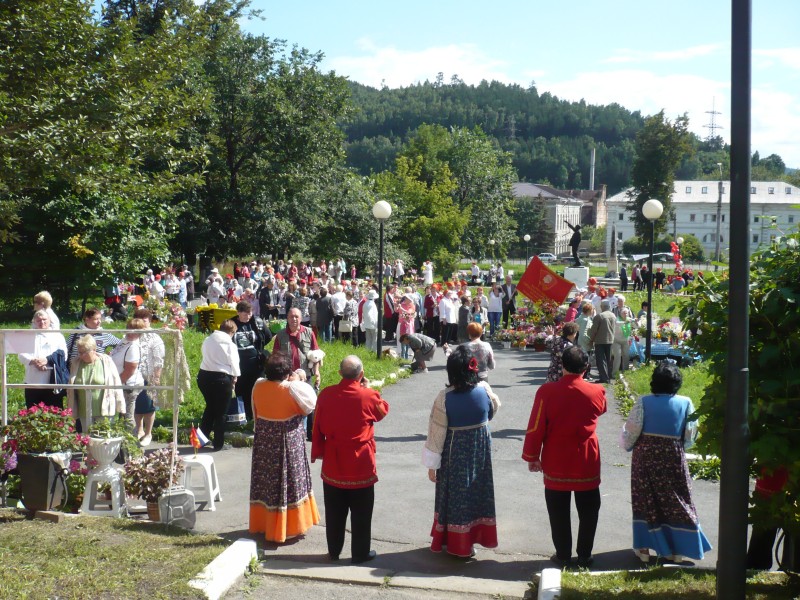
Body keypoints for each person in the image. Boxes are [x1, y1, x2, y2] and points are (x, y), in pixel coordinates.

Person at [523, 346, 607, 568]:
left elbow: (536, 427)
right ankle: (584, 555)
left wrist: (532, 455)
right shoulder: (597, 391)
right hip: (586, 458)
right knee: (589, 508)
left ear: (562, 366)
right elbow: (601, 409)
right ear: (586, 367)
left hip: (556, 457)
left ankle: (562, 554)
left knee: (558, 509)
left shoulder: (546, 391)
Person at [621, 361, 712, 563]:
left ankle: (643, 549)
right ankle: (676, 550)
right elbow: (689, 435)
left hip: (645, 457)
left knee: (644, 499)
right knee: (677, 499)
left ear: (654, 382)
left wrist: (627, 443)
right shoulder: (686, 402)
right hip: (672, 456)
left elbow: (632, 431)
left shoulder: (643, 401)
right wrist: (679, 445)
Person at [423, 345, 500, 558]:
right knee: (477, 493)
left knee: (457, 495)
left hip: (455, 452)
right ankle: (473, 539)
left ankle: (458, 543)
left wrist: (432, 464)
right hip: (480, 451)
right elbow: (493, 410)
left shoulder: (445, 397)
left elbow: (436, 432)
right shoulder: (484, 389)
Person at [311, 356, 389, 564]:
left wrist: (318, 450)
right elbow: (382, 412)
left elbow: (316, 425)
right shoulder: (369, 395)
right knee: (362, 512)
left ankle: (334, 551)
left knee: (334, 511)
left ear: (339, 373)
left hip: (334, 460)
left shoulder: (326, 395)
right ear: (361, 374)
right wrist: (369, 388)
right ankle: (360, 553)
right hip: (360, 462)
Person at [249, 352, 320, 543]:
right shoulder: (292, 389)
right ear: (287, 373)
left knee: (266, 483)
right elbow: (310, 405)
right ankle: (290, 526)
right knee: (290, 480)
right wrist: (297, 380)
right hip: (287, 441)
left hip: (264, 440)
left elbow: (255, 409)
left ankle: (265, 523)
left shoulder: (258, 385)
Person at [197, 319, 241, 451]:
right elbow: (234, 362)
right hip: (221, 378)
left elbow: (203, 354)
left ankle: (200, 440)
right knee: (221, 413)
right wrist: (235, 377)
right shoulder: (229, 344)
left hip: (204, 376)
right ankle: (218, 444)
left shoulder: (208, 339)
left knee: (210, 408)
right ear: (232, 332)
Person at [67, 335, 125, 431]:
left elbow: (116, 383)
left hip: (104, 409)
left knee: (103, 438)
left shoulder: (106, 361)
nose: (81, 355)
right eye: (79, 352)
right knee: (88, 438)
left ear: (94, 349)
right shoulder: (76, 363)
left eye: (85, 352)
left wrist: (121, 405)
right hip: (83, 410)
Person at [19, 310, 69, 408]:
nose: (42, 322)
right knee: (33, 413)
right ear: (34, 321)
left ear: (49, 320)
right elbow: (21, 355)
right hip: (33, 381)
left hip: (52, 380)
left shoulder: (58, 336)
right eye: (39, 320)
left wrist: (47, 360)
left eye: (44, 319)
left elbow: (64, 355)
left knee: (54, 413)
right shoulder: (28, 335)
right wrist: (34, 362)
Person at [232, 301, 273, 422]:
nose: (248, 317)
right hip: (238, 363)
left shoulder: (257, 321)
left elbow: (268, 336)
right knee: (241, 388)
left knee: (256, 389)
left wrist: (258, 349)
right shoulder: (232, 322)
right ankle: (244, 414)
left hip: (256, 363)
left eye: (250, 314)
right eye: (245, 314)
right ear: (238, 312)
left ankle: (258, 415)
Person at [132, 308, 165, 446]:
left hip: (148, 375)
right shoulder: (132, 334)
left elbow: (159, 360)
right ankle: (138, 429)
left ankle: (148, 433)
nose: (141, 322)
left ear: (149, 321)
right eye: (138, 319)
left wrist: (156, 377)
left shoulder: (154, 337)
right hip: (133, 375)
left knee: (149, 405)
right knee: (135, 404)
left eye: (144, 319)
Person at [110, 318, 147, 430]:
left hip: (128, 385)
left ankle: (131, 444)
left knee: (128, 416)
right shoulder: (124, 341)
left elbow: (130, 370)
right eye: (129, 329)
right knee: (122, 415)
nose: (131, 333)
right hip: (121, 383)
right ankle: (122, 442)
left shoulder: (133, 347)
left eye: (135, 331)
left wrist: (116, 384)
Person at [272, 308, 321, 389]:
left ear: (301, 319)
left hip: (305, 376)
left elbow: (316, 355)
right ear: (287, 318)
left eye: (296, 317)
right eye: (291, 317)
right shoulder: (280, 335)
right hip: (288, 376)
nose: (294, 319)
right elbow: (275, 356)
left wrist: (317, 371)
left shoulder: (309, 332)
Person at [588, 300, 615, 383]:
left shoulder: (599, 316)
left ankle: (604, 378)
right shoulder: (613, 315)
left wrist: (591, 339)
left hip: (600, 340)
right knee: (609, 359)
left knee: (601, 359)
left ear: (602, 307)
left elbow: (593, 330)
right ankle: (609, 376)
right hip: (610, 340)